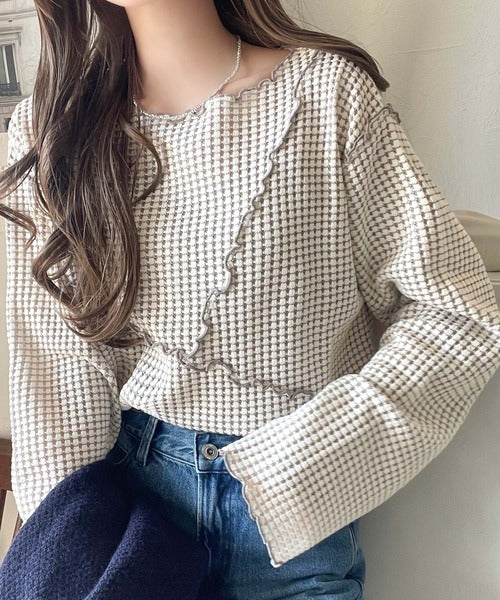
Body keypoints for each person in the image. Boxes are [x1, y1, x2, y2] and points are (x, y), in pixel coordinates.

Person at [1, 1, 499, 598]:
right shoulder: (52, 129)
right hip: (126, 513)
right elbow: (56, 367)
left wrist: (309, 462)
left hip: (292, 526)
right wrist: (70, 544)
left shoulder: (326, 96)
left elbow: (457, 314)